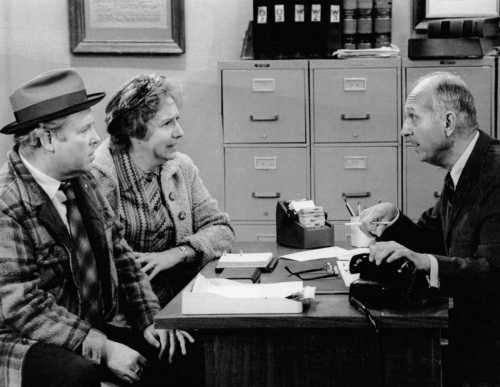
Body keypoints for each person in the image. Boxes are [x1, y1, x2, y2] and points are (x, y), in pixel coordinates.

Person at [0, 69, 193, 387]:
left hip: (86, 326)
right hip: (25, 339)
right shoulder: (7, 202)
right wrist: (103, 349)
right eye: (85, 130)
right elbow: (22, 305)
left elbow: (122, 255)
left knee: (181, 351)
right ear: (47, 138)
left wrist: (150, 319)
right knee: (80, 376)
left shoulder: (82, 180)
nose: (96, 139)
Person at [359, 72, 500, 386]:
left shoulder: (495, 173)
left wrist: (424, 261)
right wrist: (394, 219)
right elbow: (430, 237)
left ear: (448, 122)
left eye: (413, 118)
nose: (403, 131)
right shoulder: (463, 170)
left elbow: (493, 272)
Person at [91, 73, 234, 307]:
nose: (180, 132)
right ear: (135, 131)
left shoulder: (181, 167)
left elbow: (222, 229)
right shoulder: (97, 179)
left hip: (183, 302)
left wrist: (179, 253)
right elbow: (100, 273)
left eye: (177, 120)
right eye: (167, 123)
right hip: (127, 314)